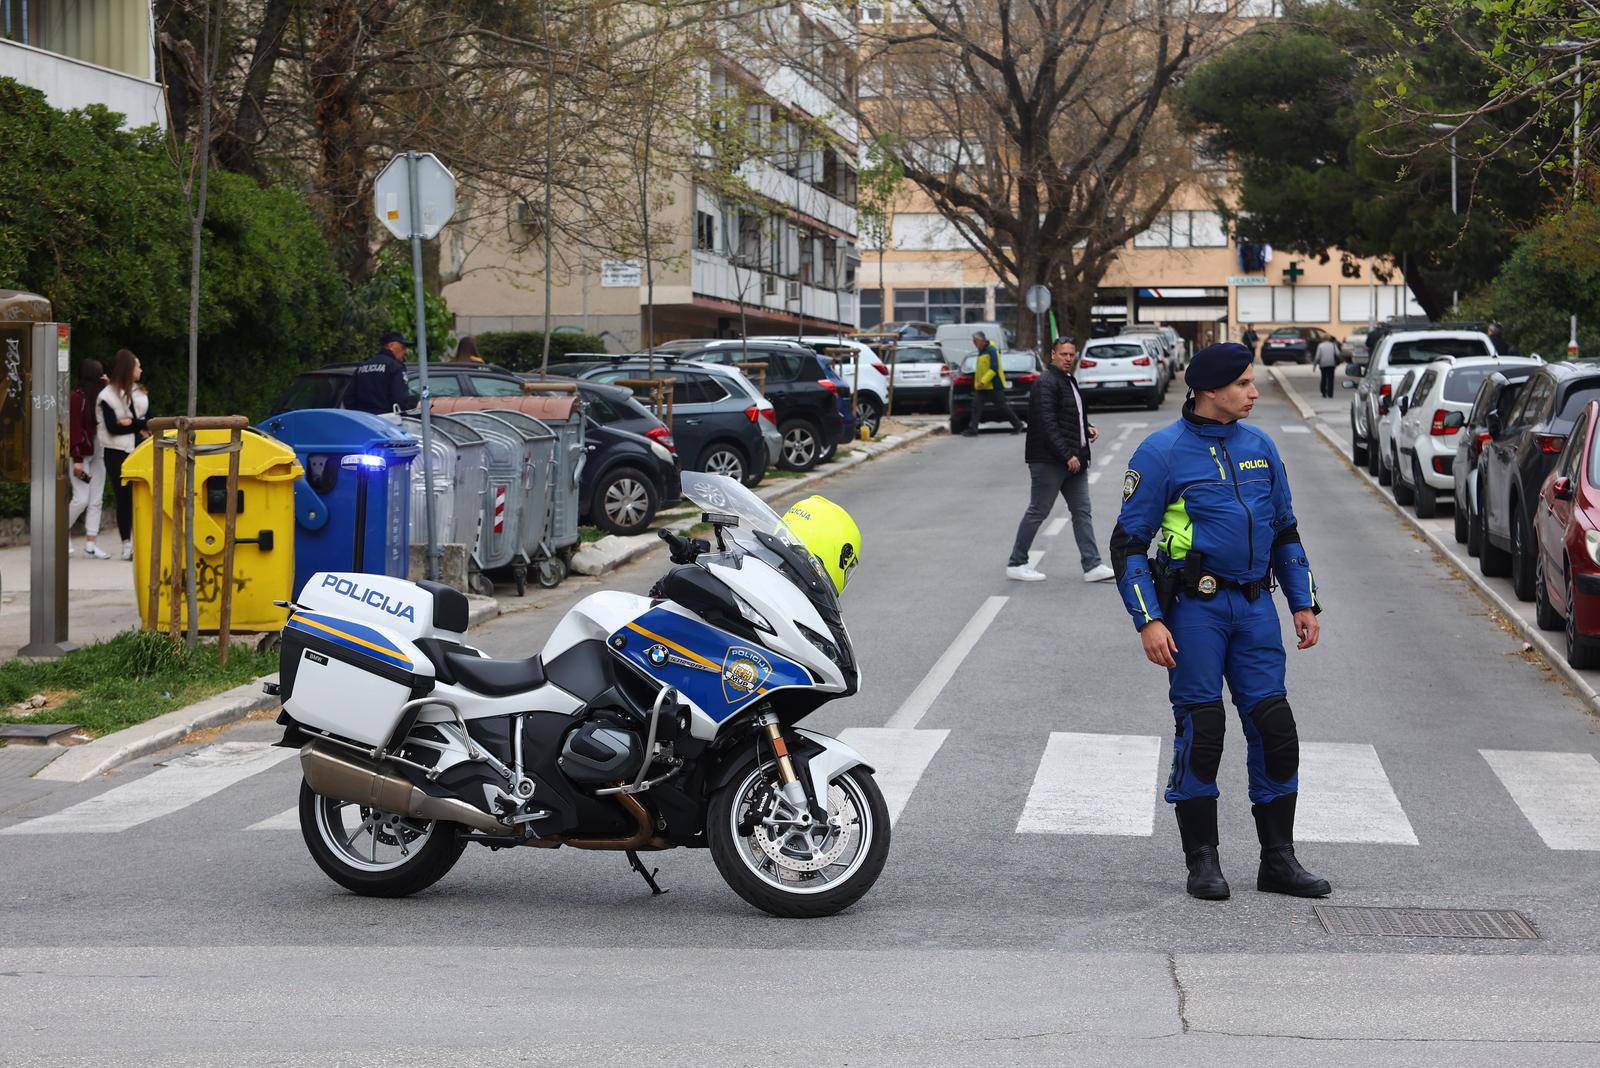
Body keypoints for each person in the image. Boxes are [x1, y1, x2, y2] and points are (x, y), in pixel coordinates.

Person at [1110, 342, 1330, 902]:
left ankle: (1278, 860)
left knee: (1275, 729)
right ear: (1211, 390)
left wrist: (1302, 602)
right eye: (1245, 385)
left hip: (1256, 609)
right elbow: (1130, 543)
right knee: (1203, 732)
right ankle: (1202, 861)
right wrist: (1147, 620)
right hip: (1194, 612)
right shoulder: (1161, 453)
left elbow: (1285, 530)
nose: (1255, 393)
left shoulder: (1260, 446)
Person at [1006, 337, 1114, 583]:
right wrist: (1068, 454)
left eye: (1071, 354)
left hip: (1073, 461)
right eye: (1063, 354)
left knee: (1082, 512)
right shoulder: (1046, 382)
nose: (1068, 358)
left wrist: (1086, 427)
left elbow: (1068, 416)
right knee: (1038, 510)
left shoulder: (1067, 381)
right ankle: (1017, 562)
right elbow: (1047, 424)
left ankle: (1092, 565)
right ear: (1052, 354)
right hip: (1050, 461)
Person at [97, 349, 150, 561]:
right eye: (137, 366)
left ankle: (141, 540)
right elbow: (113, 427)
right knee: (123, 497)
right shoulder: (107, 396)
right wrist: (137, 425)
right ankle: (126, 544)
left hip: (139, 448)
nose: (140, 369)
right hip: (116, 451)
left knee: (141, 495)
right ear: (129, 369)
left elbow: (147, 419)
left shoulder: (138, 392)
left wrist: (132, 423)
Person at [68, 358, 109, 558]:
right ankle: (59, 533)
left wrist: (109, 388)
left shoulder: (101, 396)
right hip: (81, 455)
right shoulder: (77, 398)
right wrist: (76, 458)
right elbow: (74, 428)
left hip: (98, 453)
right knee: (81, 499)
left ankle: (91, 545)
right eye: (101, 374)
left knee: (96, 499)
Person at [964, 331, 1022, 436]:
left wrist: (983, 381)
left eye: (975, 341)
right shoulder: (981, 351)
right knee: (976, 406)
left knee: (1002, 406)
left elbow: (994, 368)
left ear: (981, 341)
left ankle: (1017, 425)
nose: (974, 343)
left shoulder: (991, 350)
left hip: (993, 385)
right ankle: (973, 429)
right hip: (982, 386)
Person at [344, 330, 414, 414]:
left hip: (363, 420)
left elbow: (348, 398)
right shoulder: (395, 367)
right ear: (391, 345)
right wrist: (413, 406)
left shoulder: (362, 366)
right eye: (403, 347)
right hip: (385, 421)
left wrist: (358, 414)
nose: (405, 351)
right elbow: (401, 399)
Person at [1314, 333, 1341, 398]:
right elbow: (1338, 353)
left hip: (1323, 364)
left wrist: (1314, 365)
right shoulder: (1333, 345)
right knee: (1331, 379)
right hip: (1332, 364)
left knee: (1323, 377)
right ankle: (1330, 393)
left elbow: (1317, 356)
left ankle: (1323, 392)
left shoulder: (1320, 345)